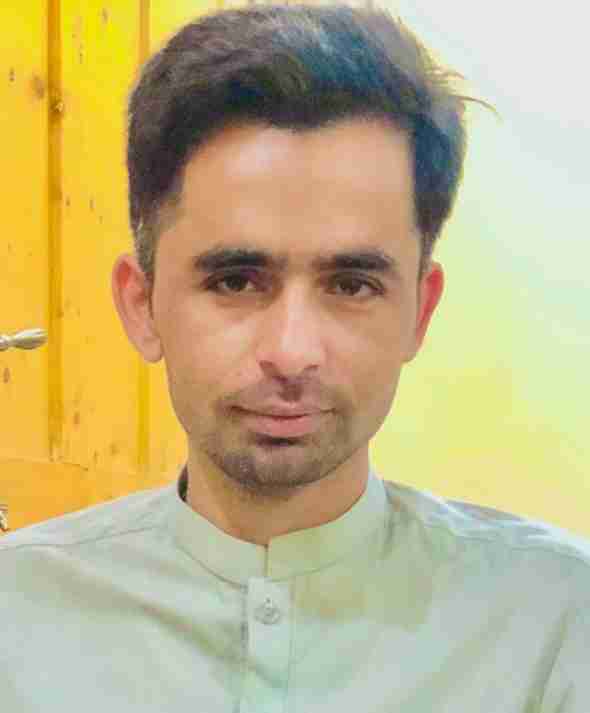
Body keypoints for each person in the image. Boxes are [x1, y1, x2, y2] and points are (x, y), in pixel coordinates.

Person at [2, 3, 588, 710]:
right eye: (235, 281)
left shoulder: (557, 626)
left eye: (351, 285)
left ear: (419, 311)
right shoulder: (18, 618)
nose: (291, 351)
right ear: (142, 304)